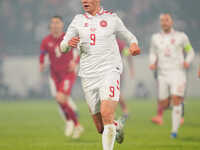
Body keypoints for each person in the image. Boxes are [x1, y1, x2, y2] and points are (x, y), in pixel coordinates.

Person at [60, 0, 140, 149]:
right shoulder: (78, 20)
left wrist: (134, 45)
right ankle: (117, 126)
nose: (84, 1)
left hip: (109, 71)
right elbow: (62, 46)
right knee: (100, 128)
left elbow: (130, 37)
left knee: (106, 113)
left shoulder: (112, 19)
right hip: (88, 76)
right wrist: (67, 45)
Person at [149, 14, 195, 138]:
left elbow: (190, 51)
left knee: (175, 99)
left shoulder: (181, 37)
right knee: (163, 103)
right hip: (162, 74)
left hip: (178, 73)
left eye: (166, 20)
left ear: (172, 22)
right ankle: (178, 106)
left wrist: (187, 61)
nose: (164, 23)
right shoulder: (155, 38)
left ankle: (174, 132)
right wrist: (152, 62)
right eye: (162, 21)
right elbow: (153, 52)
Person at [39, 16, 83, 139]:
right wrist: (41, 63)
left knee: (61, 98)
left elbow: (80, 50)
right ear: (50, 25)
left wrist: (75, 62)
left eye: (57, 22)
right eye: (53, 23)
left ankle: (73, 123)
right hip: (54, 75)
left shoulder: (68, 38)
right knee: (60, 100)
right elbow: (42, 54)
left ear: (62, 25)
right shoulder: (46, 40)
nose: (55, 25)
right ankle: (74, 123)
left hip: (68, 73)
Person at [117, 39, 134, 119]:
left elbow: (128, 54)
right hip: (105, 71)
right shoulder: (102, 41)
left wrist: (131, 69)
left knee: (116, 91)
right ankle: (124, 110)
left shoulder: (119, 43)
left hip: (116, 70)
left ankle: (125, 110)